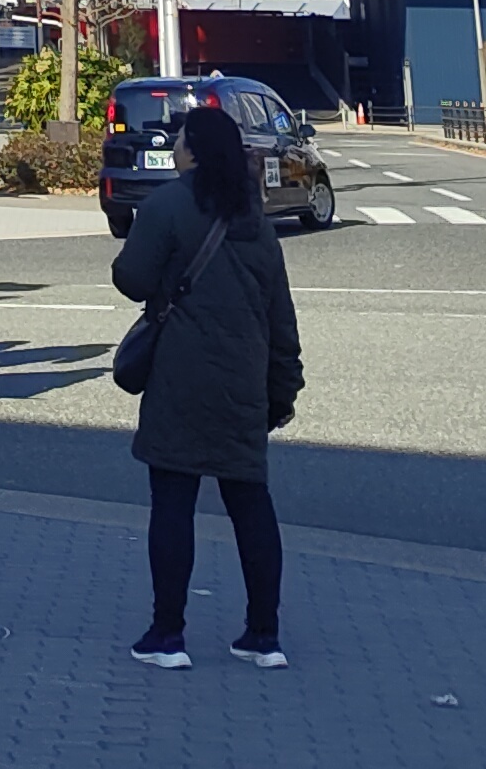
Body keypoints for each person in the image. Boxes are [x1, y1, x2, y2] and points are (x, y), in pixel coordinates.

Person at [109, 99, 303, 671]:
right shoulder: (254, 220)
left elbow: (132, 277)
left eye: (180, 139)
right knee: (251, 505)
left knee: (173, 505)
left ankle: (168, 634)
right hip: (244, 382)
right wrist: (283, 388)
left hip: (181, 377)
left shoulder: (168, 205)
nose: (174, 146)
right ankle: (263, 635)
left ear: (192, 150)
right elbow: (281, 316)